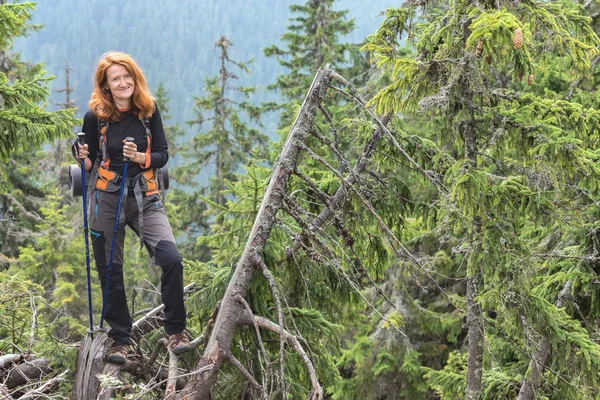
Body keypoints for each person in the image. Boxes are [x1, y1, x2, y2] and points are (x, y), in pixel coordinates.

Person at [74, 51, 190, 363]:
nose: (123, 82)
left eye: (127, 76)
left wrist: (140, 158)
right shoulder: (95, 117)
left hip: (145, 197)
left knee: (172, 259)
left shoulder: (148, 112)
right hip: (106, 199)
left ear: (134, 79)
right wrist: (81, 155)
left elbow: (163, 154)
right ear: (106, 86)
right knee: (110, 270)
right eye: (116, 79)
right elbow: (88, 165)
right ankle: (120, 341)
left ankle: (175, 331)